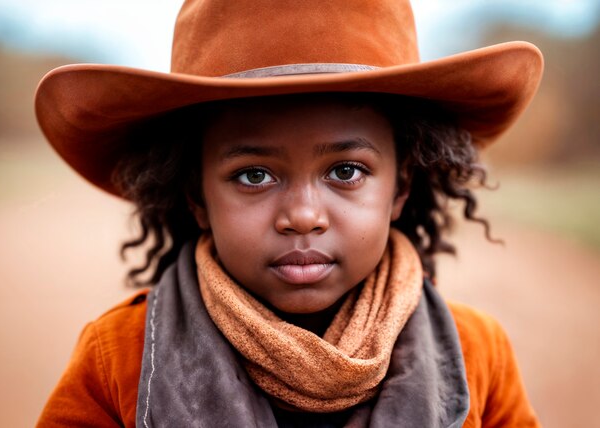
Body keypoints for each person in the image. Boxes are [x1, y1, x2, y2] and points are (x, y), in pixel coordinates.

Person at [35, 0, 543, 426]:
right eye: (254, 175)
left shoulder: (479, 353)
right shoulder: (117, 358)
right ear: (195, 195)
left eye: (345, 171)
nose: (303, 215)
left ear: (400, 188)